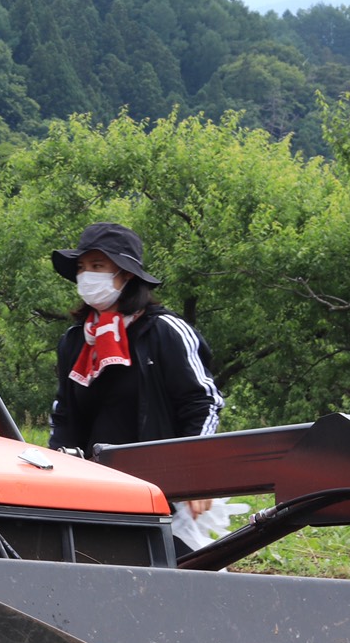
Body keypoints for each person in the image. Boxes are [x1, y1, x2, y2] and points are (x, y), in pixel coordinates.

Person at [47, 222, 224, 550]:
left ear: (126, 275)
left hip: (161, 488)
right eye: (82, 268)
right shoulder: (75, 341)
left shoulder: (166, 331)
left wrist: (198, 475)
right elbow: (65, 416)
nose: (87, 276)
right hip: (92, 488)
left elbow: (202, 403)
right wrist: (51, 476)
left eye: (98, 266)